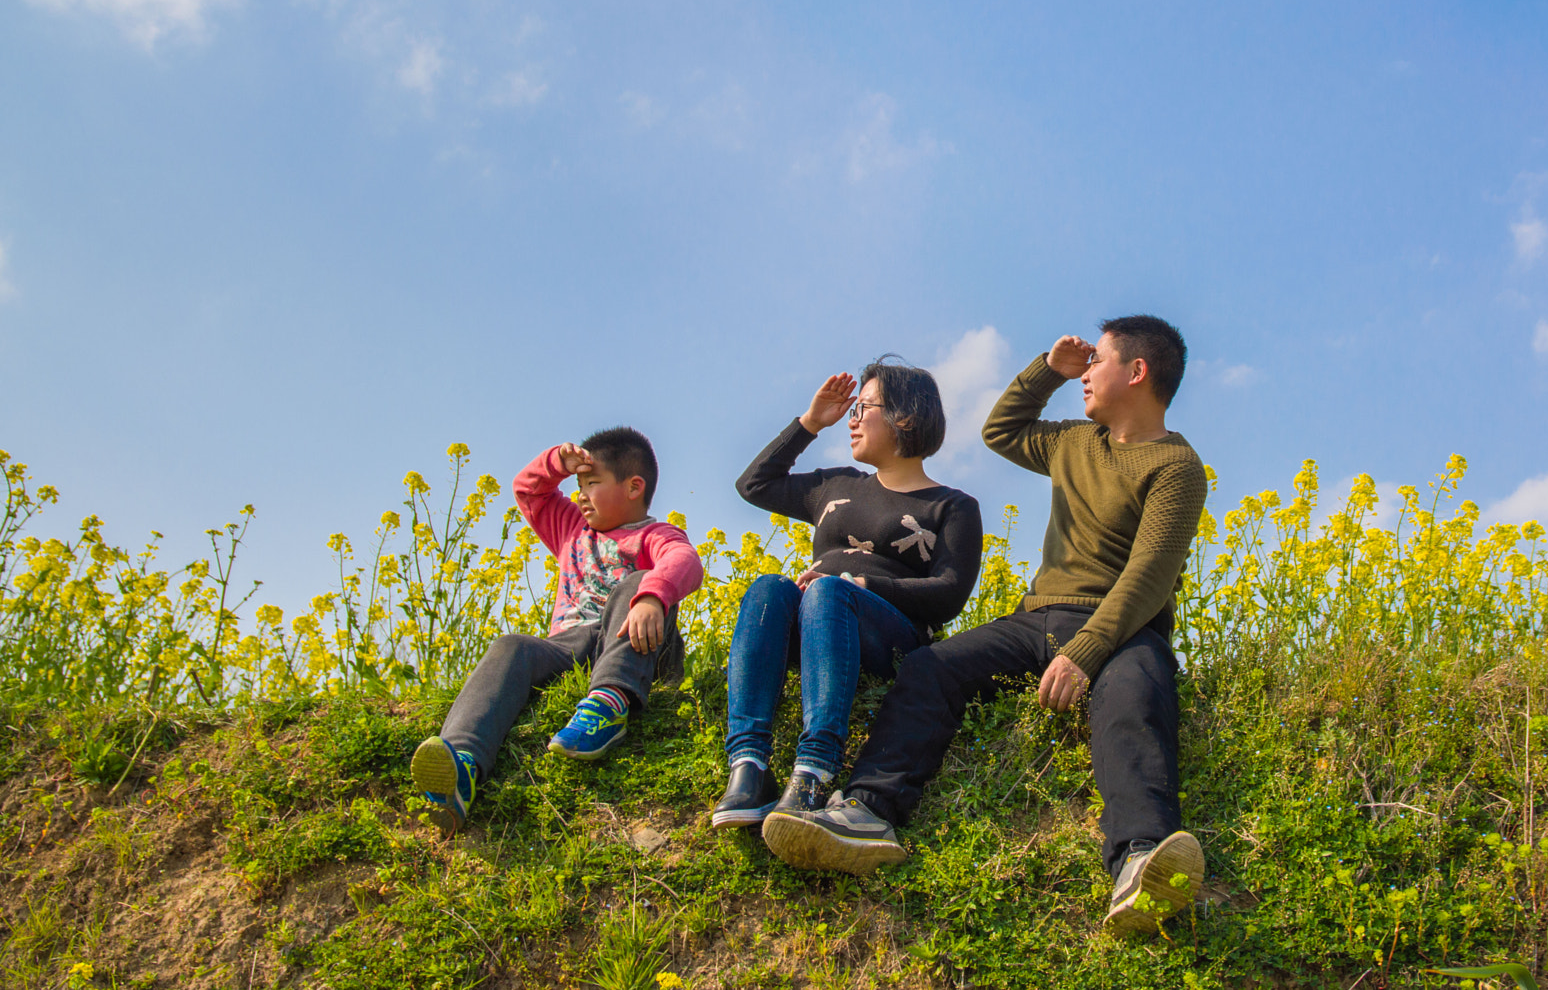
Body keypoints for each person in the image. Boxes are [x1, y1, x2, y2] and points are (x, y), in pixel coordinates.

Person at [767, 315, 1210, 935]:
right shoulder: (1075, 442)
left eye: (1096, 362)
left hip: (1124, 627)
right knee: (930, 669)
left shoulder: (1177, 466)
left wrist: (1085, 654)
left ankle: (1140, 859)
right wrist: (1045, 372)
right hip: (1036, 618)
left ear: (1137, 372)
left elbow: (1149, 575)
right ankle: (867, 811)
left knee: (1132, 697)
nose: (1086, 373)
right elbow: (1001, 430)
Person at [712, 358, 984, 852]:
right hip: (819, 623)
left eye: (864, 407)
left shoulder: (951, 506)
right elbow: (754, 486)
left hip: (886, 636)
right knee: (768, 589)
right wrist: (810, 423)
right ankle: (748, 769)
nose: (852, 418)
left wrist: (861, 583)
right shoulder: (837, 486)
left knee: (830, 590)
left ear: (905, 416)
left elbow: (948, 595)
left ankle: (813, 773)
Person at [410, 426, 703, 834]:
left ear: (634, 487)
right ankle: (461, 765)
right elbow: (529, 492)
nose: (580, 494)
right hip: (570, 645)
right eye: (578, 484)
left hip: (637, 650)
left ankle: (608, 706)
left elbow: (684, 560)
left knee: (636, 584)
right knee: (512, 647)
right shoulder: (571, 529)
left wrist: (653, 596)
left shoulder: (653, 535)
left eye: (592, 483)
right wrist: (556, 464)